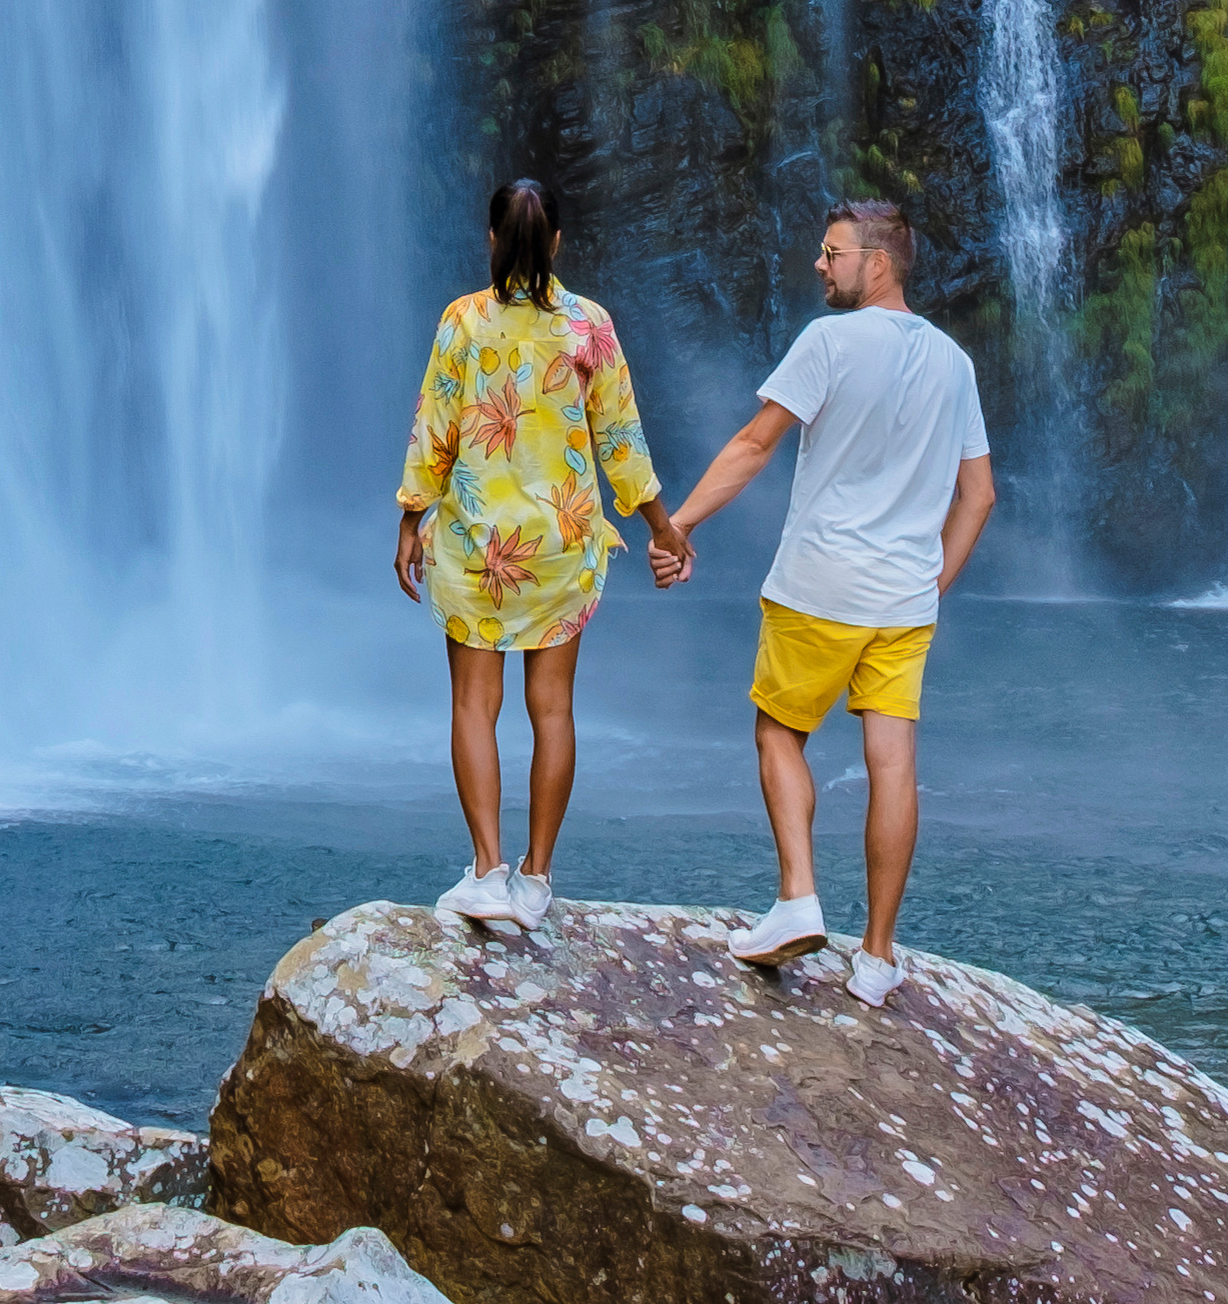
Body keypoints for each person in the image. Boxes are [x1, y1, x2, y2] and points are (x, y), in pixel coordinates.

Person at [657, 195, 992, 1004]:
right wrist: (931, 581)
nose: (819, 263)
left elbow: (753, 444)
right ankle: (877, 956)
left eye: (832, 252)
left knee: (778, 732)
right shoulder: (955, 361)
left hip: (819, 582)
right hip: (904, 599)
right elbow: (977, 494)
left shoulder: (829, 341)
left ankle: (798, 895)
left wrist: (678, 526)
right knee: (894, 765)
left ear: (876, 263)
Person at [394, 173, 683, 932]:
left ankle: (487, 868)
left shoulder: (462, 320)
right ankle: (537, 877)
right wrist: (662, 525)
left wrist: (408, 520)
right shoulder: (589, 324)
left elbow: (436, 430)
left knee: (473, 705)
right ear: (557, 242)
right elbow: (622, 440)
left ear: (491, 239)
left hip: (478, 545)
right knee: (552, 708)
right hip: (560, 546)